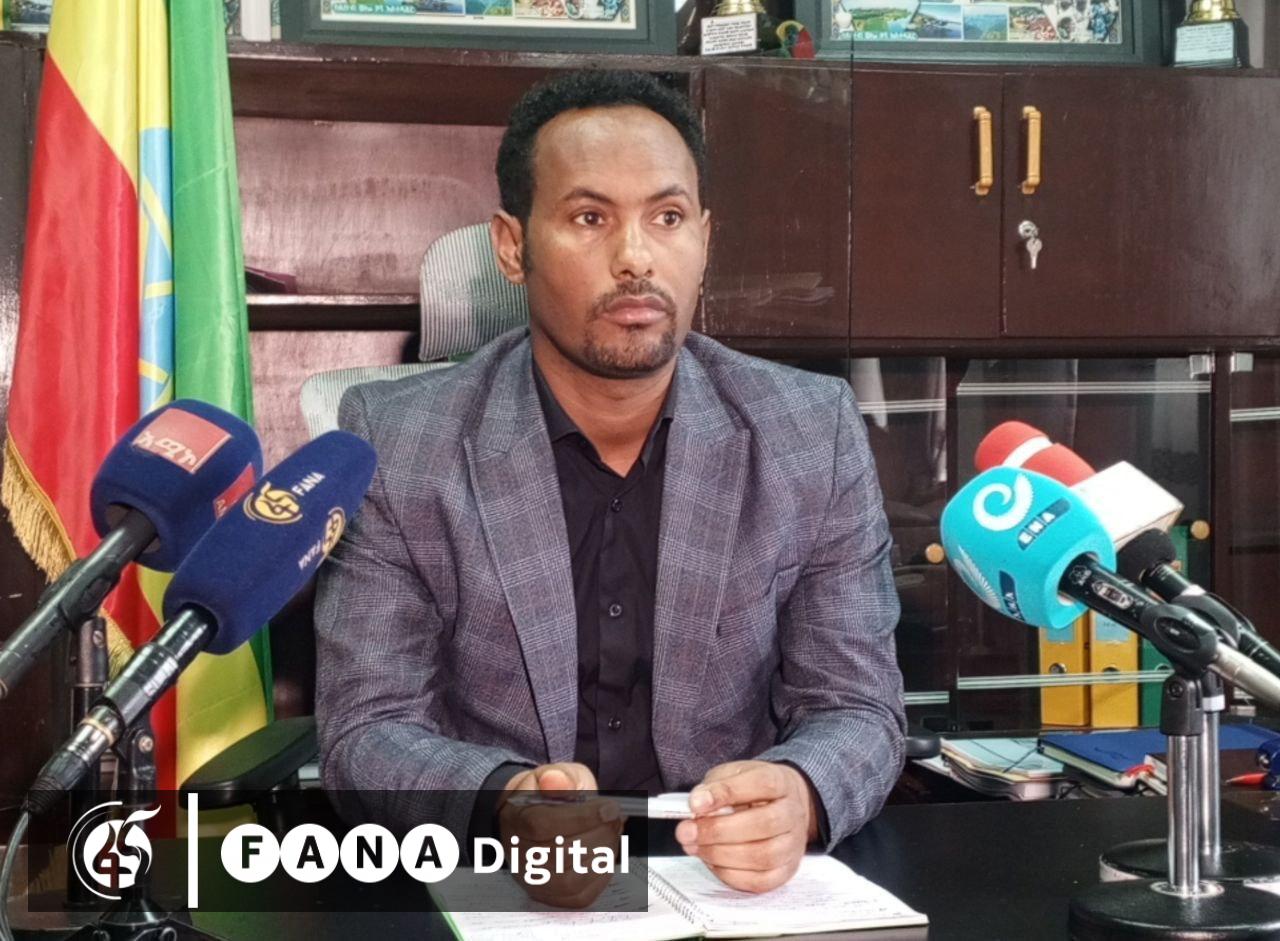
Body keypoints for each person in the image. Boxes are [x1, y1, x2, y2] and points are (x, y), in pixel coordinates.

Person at [314, 69, 905, 900]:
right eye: (590, 218)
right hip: (498, 888)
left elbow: (859, 706)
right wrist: (501, 805)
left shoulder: (811, 432)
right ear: (512, 247)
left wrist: (802, 792)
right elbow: (367, 729)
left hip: (724, 887)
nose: (636, 257)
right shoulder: (401, 442)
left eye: (668, 218)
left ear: (704, 239)